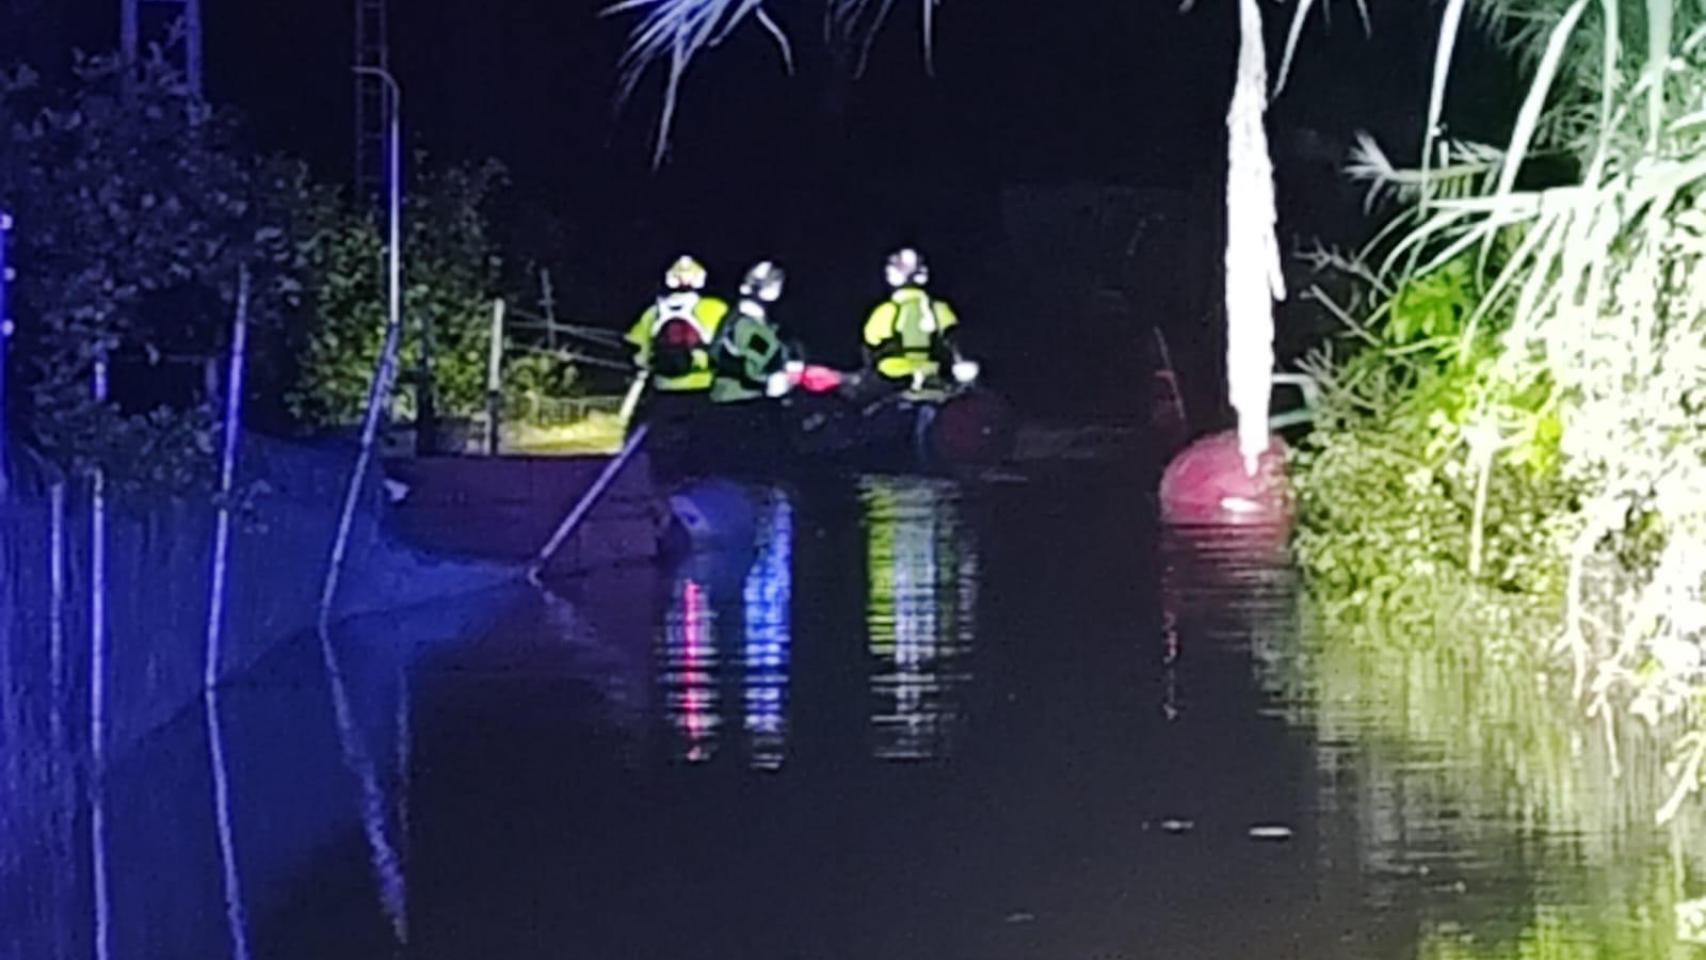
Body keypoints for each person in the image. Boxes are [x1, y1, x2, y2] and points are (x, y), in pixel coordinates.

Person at [861, 247, 978, 391]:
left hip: (894, 379)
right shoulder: (940, 309)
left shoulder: (884, 312)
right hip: (937, 377)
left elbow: (871, 344)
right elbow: (956, 342)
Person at [626, 255, 731, 398]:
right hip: (704, 386)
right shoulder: (716, 308)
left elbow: (636, 351)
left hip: (662, 387)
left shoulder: (653, 311)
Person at [711, 260, 795, 405]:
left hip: (738, 398)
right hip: (742, 400)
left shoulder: (741, 319)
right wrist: (776, 380)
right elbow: (754, 368)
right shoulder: (747, 326)